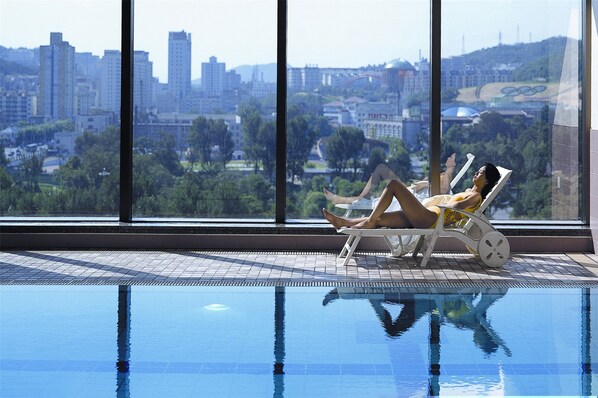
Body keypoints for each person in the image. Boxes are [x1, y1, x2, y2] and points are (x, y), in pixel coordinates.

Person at [322, 163, 500, 229]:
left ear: (487, 181)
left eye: (481, 172)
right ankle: (342, 222)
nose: (476, 173)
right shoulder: (470, 192)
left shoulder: (476, 197)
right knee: (379, 218)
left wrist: (442, 209)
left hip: (431, 218)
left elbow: (456, 208)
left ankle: (366, 222)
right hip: (427, 215)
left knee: (393, 185)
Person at [323, 153, 457, 205]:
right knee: (381, 168)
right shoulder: (439, 174)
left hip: (411, 198)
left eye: (451, 158)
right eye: (449, 157)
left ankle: (351, 199)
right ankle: (357, 198)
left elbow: (445, 191)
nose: (448, 159)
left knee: (381, 170)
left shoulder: (447, 176)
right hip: (410, 192)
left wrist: (449, 170)